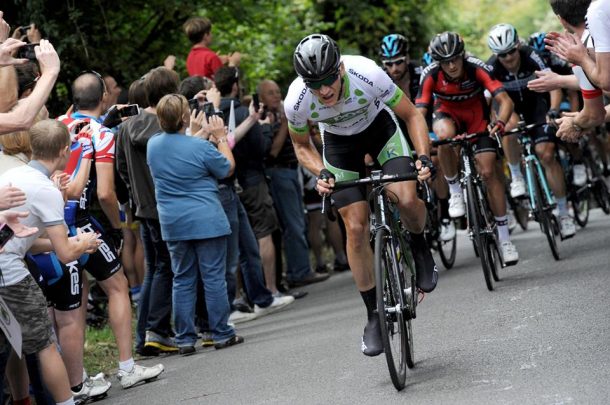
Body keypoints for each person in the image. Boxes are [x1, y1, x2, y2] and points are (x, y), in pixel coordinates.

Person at [285, 34, 437, 357]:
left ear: (339, 69)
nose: (324, 90)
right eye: (315, 84)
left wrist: (423, 156)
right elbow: (301, 145)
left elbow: (411, 115)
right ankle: (373, 314)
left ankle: (420, 245)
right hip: (340, 147)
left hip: (380, 130)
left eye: (328, 79)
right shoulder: (296, 100)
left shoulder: (366, 73)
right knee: (355, 228)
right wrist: (320, 172)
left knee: (406, 199)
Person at [58, 71, 165, 388]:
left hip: (53, 223)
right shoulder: (101, 134)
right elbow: (105, 193)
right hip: (81, 222)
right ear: (104, 96)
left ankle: (77, 379)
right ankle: (127, 367)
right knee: (118, 286)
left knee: (73, 301)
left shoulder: (57, 125)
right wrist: (118, 228)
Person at [0, 119, 102, 405]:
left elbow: (27, 240)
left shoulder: (14, 174)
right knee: (45, 343)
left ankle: (22, 400)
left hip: (7, 259)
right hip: (8, 272)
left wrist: (73, 244)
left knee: (11, 342)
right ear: (62, 151)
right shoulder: (45, 189)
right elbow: (65, 253)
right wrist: (85, 242)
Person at [147, 94, 244, 354]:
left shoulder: (153, 145)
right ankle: (221, 332)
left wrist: (199, 132)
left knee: (183, 278)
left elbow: (183, 147)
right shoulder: (200, 148)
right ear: (184, 117)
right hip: (205, 218)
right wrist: (221, 137)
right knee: (213, 278)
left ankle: (185, 338)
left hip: (173, 222)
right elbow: (227, 168)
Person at [416, 32, 520, 264]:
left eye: (455, 59)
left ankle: (504, 239)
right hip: (447, 116)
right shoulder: (430, 74)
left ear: (463, 55)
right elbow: (419, 113)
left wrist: (501, 122)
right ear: (437, 62)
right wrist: (423, 141)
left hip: (477, 118)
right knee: (443, 137)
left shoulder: (476, 67)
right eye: (445, 62)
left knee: (488, 171)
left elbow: (506, 101)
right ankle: (454, 191)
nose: (452, 65)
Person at [486, 24, 576, 238]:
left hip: (537, 105)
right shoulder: (492, 67)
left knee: (547, 153)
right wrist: (493, 122)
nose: (508, 58)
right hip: (511, 107)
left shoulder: (531, 56)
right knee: (508, 125)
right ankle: (516, 174)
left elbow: (554, 85)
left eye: (511, 51)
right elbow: (489, 102)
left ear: (518, 45)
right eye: (502, 55)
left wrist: (554, 111)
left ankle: (563, 213)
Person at [116, 68, 178, 356]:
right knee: (167, 267)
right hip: (163, 204)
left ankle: (144, 335)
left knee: (154, 269)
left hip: (142, 206)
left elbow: (121, 169)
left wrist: (135, 195)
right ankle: (158, 330)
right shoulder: (163, 127)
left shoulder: (126, 128)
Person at [380, 33, 455, 242]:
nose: (394, 68)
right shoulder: (380, 78)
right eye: (388, 64)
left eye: (398, 62)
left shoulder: (421, 71)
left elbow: (435, 101)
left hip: (426, 121)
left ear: (406, 57)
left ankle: (445, 214)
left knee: (436, 159)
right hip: (397, 129)